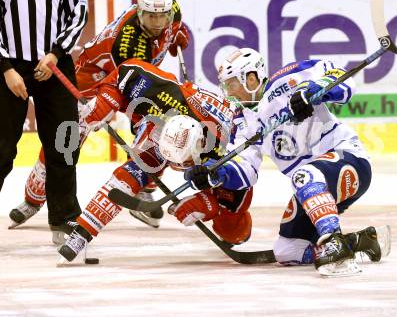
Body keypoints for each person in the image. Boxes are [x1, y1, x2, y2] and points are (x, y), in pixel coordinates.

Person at [182, 48, 389, 276]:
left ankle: (337, 248)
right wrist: (213, 174)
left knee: (304, 175)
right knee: (287, 251)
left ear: (251, 78)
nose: (229, 93)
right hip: (311, 189)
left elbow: (342, 80)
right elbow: (245, 170)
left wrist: (314, 90)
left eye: (231, 85)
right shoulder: (243, 122)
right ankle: (360, 242)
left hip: (348, 159)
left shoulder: (291, 77)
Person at [9, 0, 190, 231]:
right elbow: (130, 84)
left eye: (163, 17)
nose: (159, 24)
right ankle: (34, 197)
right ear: (139, 13)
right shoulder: (128, 44)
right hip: (95, 75)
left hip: (133, 77)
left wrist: (179, 34)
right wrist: (101, 111)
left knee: (154, 126)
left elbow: (175, 26)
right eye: (151, 17)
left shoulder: (172, 12)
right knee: (70, 135)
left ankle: (142, 186)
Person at [57, 59, 253, 262]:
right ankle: (81, 233)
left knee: (233, 230)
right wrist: (107, 100)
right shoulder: (166, 96)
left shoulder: (230, 136)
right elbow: (127, 71)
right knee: (131, 175)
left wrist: (209, 204)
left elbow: (245, 180)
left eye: (183, 162)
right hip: (161, 125)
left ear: (199, 146)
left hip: (212, 144)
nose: (177, 166)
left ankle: (228, 223)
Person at [0, 0, 88, 242]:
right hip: (9, 69)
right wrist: (6, 69)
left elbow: (79, 12)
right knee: (1, 149)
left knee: (64, 143)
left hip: (55, 65)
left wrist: (56, 53)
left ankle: (64, 219)